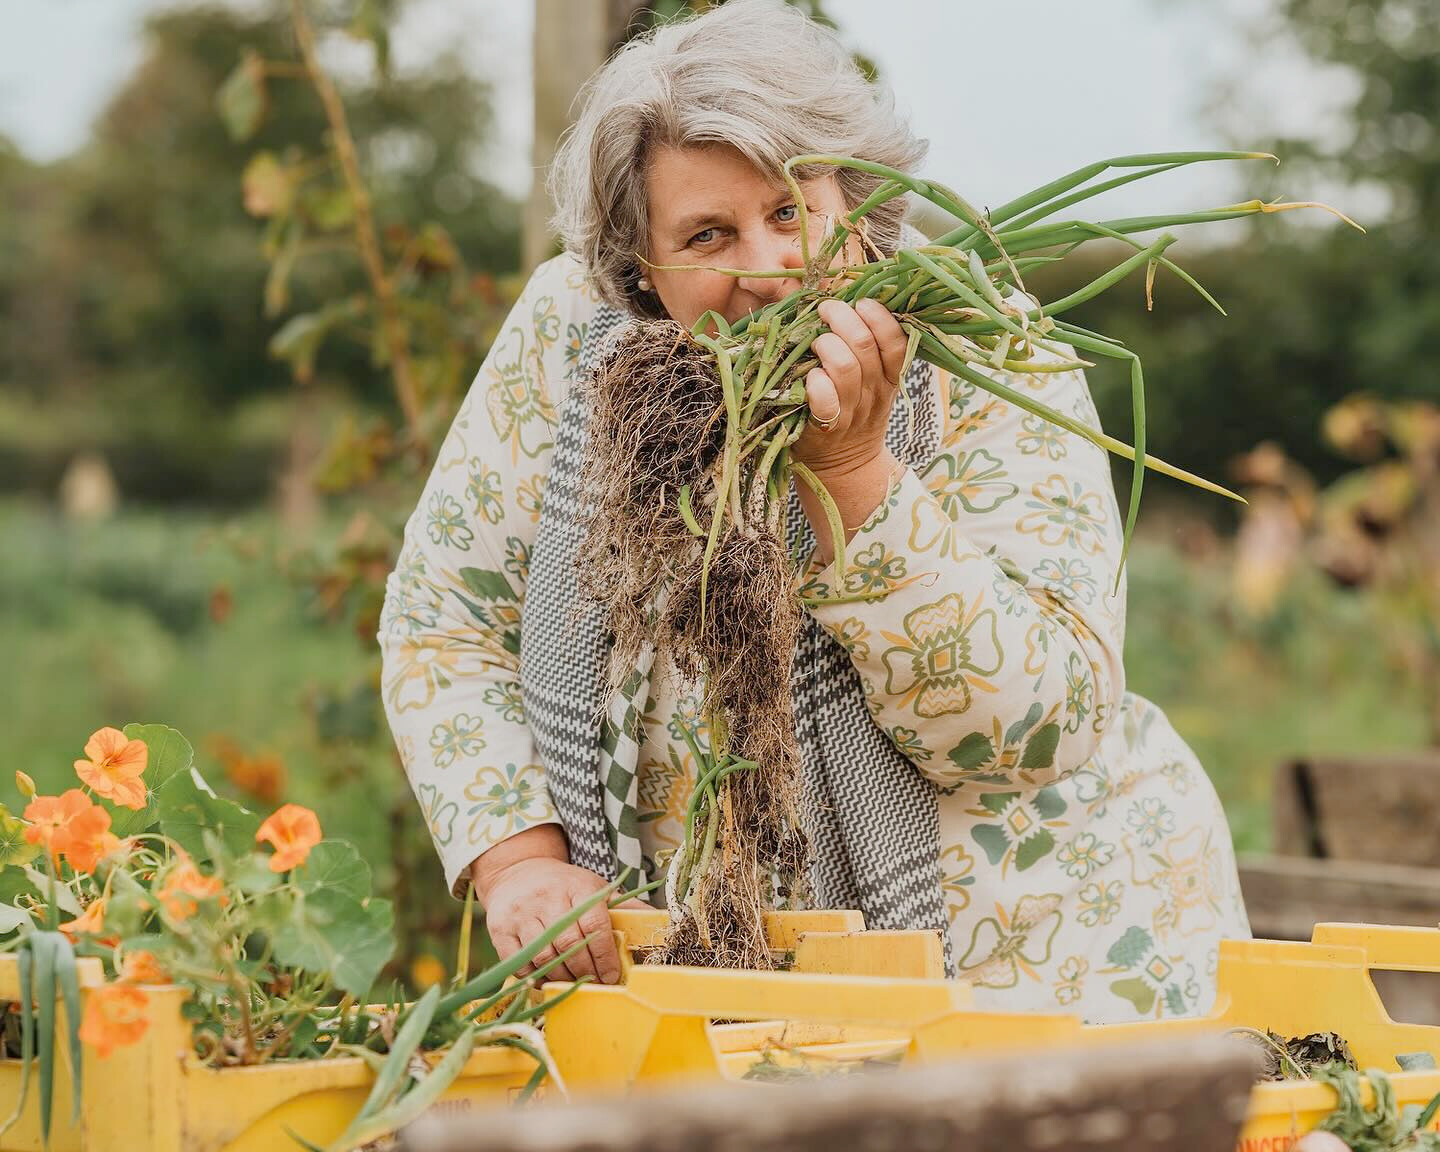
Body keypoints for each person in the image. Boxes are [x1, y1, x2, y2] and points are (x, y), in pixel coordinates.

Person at [378, 0, 1250, 1021]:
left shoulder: (986, 347)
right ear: (641, 266)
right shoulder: (576, 339)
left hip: (1036, 979)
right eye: (708, 233)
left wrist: (852, 477)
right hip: (707, 985)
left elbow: (1040, 726)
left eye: (792, 212)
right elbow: (445, 620)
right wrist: (519, 861)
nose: (767, 268)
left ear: (856, 200)